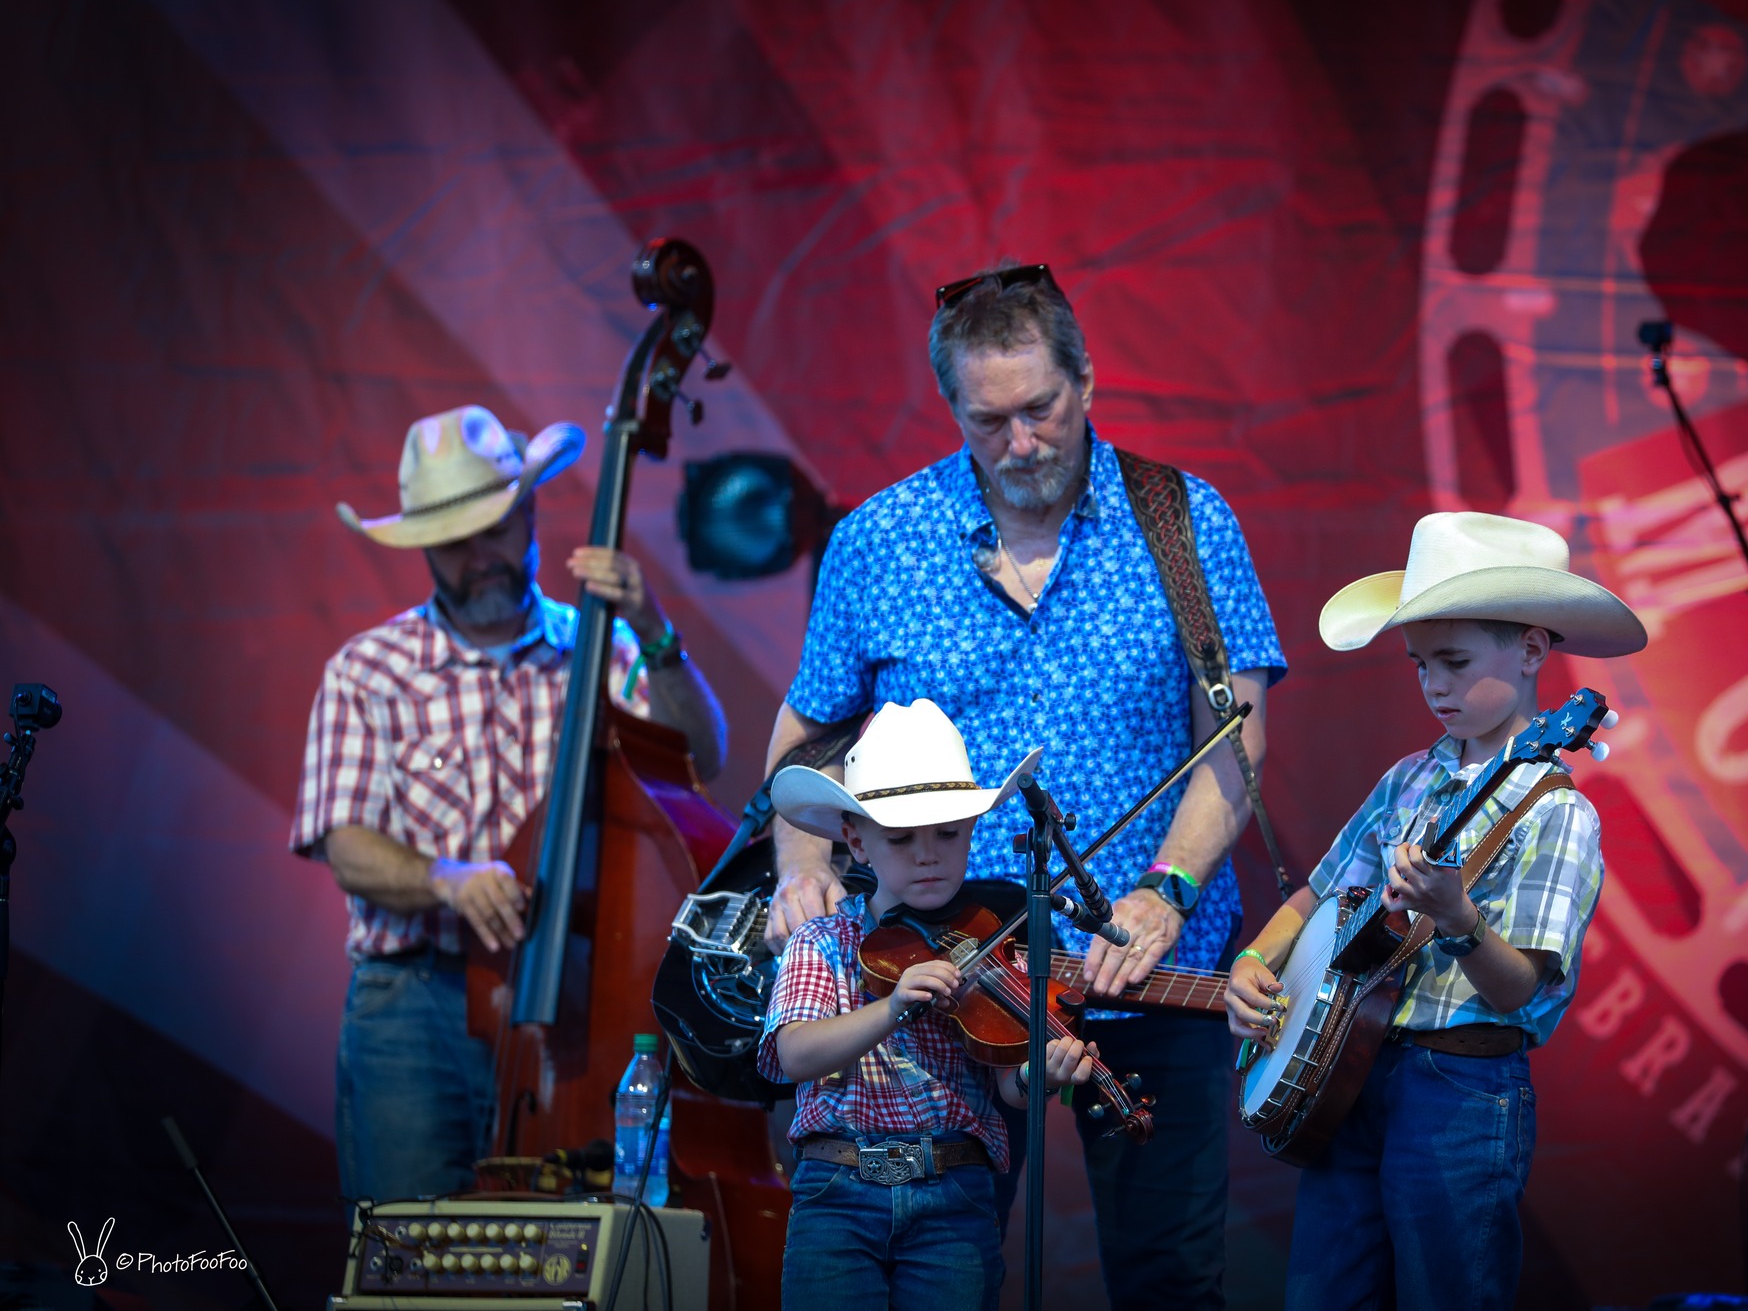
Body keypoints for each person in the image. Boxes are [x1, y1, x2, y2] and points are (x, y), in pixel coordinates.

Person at [765, 263, 1286, 1308]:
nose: (1022, 443)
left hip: (1144, 966)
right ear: (952, 408)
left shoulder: (1183, 523)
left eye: (1040, 408)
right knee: (936, 1274)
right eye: (988, 419)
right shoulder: (879, 538)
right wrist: (802, 862)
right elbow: (804, 732)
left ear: (1085, 381)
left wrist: (1166, 888)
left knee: (1167, 1277)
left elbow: (1235, 743)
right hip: (941, 975)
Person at [290, 405, 728, 1207]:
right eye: (454, 542)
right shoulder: (367, 669)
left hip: (567, 995)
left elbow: (700, 759)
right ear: (421, 546)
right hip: (413, 1000)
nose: (480, 556)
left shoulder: (594, 646)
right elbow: (343, 842)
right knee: (410, 1257)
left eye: (494, 527)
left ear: (529, 512)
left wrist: (653, 628)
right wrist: (448, 878)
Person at [1224, 511, 1647, 1310]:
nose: (1434, 685)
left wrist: (1458, 917)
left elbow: (1520, 988)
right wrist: (1256, 961)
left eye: (1453, 661)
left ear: (1531, 649)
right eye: (1421, 665)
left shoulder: (1556, 811)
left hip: (1460, 1088)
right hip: (1346, 1073)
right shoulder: (1407, 778)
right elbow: (1315, 894)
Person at [762, 698, 1098, 1311]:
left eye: (948, 834)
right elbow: (793, 1054)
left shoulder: (993, 942)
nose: (927, 854)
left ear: (972, 832)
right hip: (837, 1193)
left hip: (955, 1196)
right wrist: (889, 1010)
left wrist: (1038, 1075)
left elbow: (1007, 1087)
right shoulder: (825, 942)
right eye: (901, 838)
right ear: (855, 841)